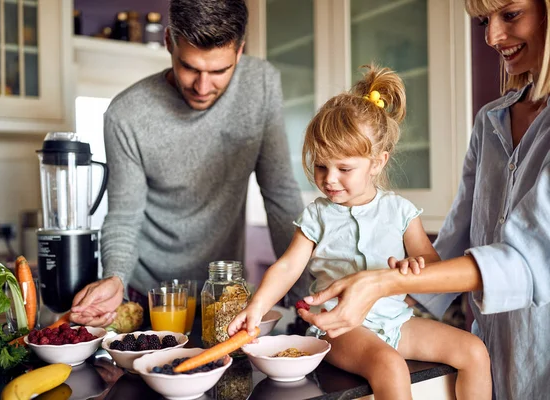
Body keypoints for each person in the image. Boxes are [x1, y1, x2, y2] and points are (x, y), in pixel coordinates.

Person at [297, 0, 550, 399]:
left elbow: (529, 259)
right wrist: (385, 294)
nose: (491, 36)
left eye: (511, 14)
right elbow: (453, 239)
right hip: (491, 341)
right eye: (485, 20)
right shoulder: (490, 121)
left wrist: (383, 283)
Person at [228, 65, 492, 400]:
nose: (329, 179)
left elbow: (429, 261)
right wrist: (257, 306)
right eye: (321, 166)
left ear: (378, 162)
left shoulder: (401, 212)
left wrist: (415, 267)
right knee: (390, 365)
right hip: (342, 329)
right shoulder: (316, 215)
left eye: (344, 168)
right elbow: (287, 267)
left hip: (398, 324)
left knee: (474, 350)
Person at [69, 0, 307, 327]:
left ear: (239, 52)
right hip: (150, 298)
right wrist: (114, 277)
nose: (202, 86)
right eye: (190, 67)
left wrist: (305, 292)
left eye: (219, 71)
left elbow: (280, 194)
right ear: (169, 42)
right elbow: (124, 216)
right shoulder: (126, 115)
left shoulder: (261, 85)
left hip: (224, 295)